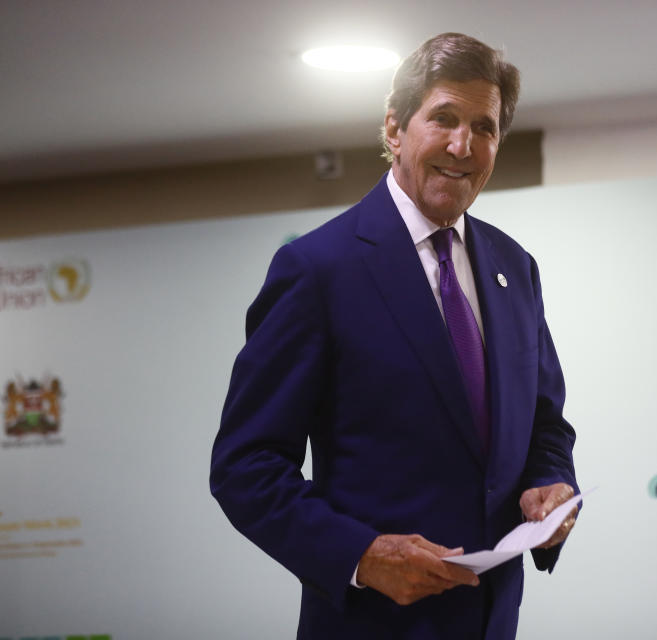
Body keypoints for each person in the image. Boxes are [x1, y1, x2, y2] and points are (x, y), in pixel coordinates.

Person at [210, 32, 579, 640]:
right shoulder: (318, 269)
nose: (462, 145)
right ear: (395, 129)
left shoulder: (517, 268)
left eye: (483, 128)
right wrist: (360, 555)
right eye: (444, 119)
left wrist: (549, 484)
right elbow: (244, 465)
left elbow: (545, 424)